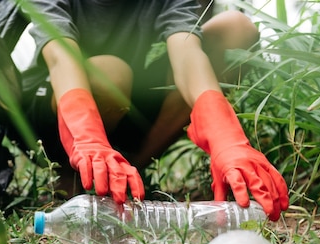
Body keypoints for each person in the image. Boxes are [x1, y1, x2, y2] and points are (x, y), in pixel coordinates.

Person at [17, 0, 289, 221]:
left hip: (129, 103)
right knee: (111, 73)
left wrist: (225, 135)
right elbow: (60, 57)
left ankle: (130, 169)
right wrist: (89, 138)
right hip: (56, 111)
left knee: (235, 28)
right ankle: (72, 175)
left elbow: (186, 53)